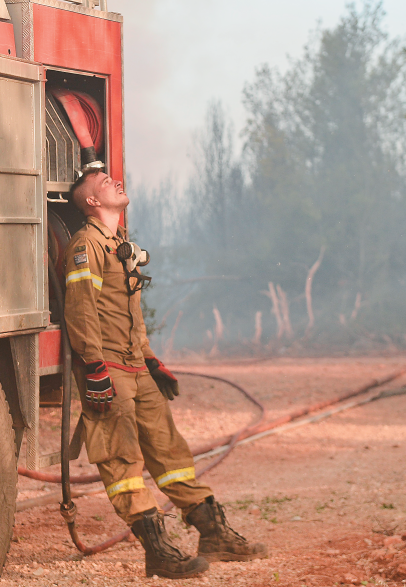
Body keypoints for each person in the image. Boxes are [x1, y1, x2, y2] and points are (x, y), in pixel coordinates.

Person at [62, 169, 267, 579]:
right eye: (104, 183)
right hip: (110, 373)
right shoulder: (86, 246)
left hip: (135, 367)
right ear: (91, 203)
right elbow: (80, 310)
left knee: (170, 454)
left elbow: (130, 313)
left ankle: (215, 535)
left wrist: (150, 359)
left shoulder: (120, 243)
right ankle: (157, 551)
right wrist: (95, 367)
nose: (115, 182)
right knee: (122, 464)